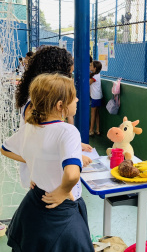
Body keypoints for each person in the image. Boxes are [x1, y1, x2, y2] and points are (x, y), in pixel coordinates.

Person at [1, 73, 95, 252]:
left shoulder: (31, 127)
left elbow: (5, 149)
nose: (77, 99)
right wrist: (62, 191)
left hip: (35, 203)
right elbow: (72, 174)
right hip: (60, 209)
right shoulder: (68, 131)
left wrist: (34, 161)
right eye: (73, 97)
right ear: (60, 105)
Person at [15, 46, 92, 188]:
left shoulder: (41, 100)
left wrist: (72, 147)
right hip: (40, 179)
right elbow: (32, 145)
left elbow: (46, 137)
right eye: (68, 74)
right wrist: (72, 157)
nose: (70, 79)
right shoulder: (35, 104)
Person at [89, 60, 103, 136]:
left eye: (91, 65)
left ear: (94, 68)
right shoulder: (97, 74)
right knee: (97, 113)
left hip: (95, 97)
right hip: (98, 97)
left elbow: (88, 82)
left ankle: (91, 130)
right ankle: (97, 130)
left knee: (93, 113)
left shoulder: (94, 77)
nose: (89, 66)